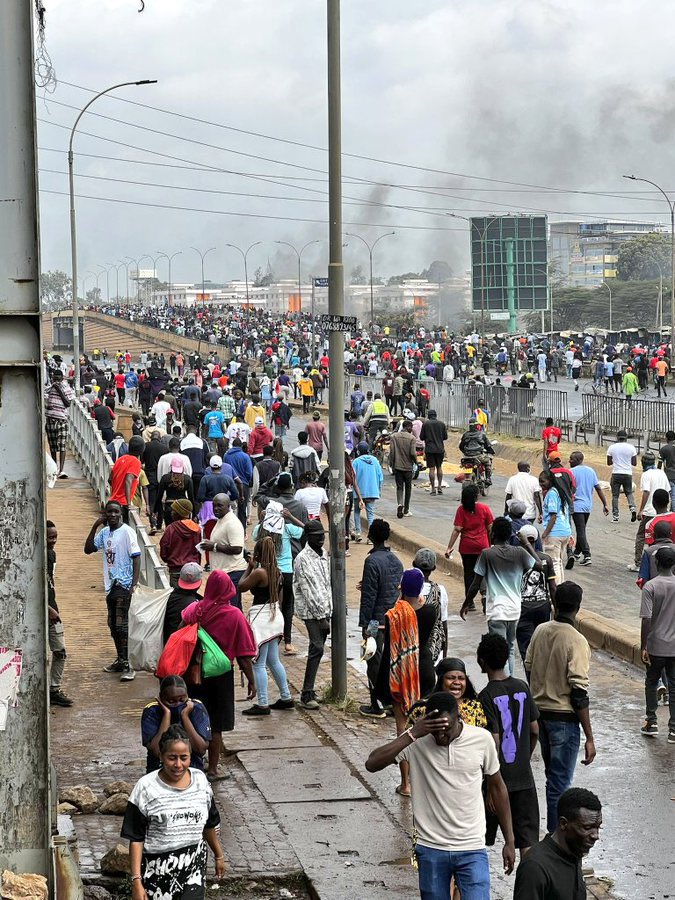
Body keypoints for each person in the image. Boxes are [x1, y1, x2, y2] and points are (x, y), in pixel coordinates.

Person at [365, 692, 515, 900]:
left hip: (472, 847)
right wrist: (412, 733)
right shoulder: (416, 741)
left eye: (446, 730)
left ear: (458, 718)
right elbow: (371, 764)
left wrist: (509, 840)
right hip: (431, 847)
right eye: (435, 732)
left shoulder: (482, 739)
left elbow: (498, 788)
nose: (441, 737)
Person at [121, 724, 226, 900]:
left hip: (193, 871)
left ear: (190, 756)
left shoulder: (201, 781)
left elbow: (209, 824)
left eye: (184, 758)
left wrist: (219, 855)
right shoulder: (145, 788)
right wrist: (136, 881)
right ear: (161, 756)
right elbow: (136, 839)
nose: (178, 764)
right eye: (172, 758)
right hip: (157, 876)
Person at [525, 582, 596, 833]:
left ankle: (554, 837)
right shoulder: (576, 640)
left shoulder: (540, 631)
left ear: (555, 602)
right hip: (564, 721)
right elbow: (579, 693)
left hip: (540, 716)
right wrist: (589, 736)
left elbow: (529, 666)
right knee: (560, 784)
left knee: (552, 780)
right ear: (578, 607)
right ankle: (558, 843)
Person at [181, 570, 257, 780]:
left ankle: (191, 765)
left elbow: (181, 631)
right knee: (215, 723)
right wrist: (252, 680)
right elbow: (244, 654)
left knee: (192, 717)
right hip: (221, 676)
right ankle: (213, 769)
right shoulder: (234, 615)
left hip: (194, 673)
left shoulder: (195, 610)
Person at [477, 633, 540, 859]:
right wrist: (524, 756)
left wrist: (489, 785)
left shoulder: (484, 697)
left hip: (497, 779)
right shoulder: (522, 687)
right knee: (528, 841)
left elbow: (492, 742)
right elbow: (534, 730)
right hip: (524, 777)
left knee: (479, 840)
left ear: (481, 661)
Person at [462, 516, 540, 676]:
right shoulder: (519, 553)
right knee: (510, 648)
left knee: (499, 651)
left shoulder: (487, 554)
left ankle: (502, 685)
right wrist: (525, 543)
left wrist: (466, 602)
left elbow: (476, 583)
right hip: (514, 609)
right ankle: (509, 681)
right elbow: (539, 564)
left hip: (496, 610)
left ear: (493, 534)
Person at [84, 500, 141, 682]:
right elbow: (88, 549)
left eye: (116, 512)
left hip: (123, 585)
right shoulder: (105, 533)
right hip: (111, 584)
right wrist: (95, 525)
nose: (113, 515)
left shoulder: (127, 532)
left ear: (121, 514)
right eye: (109, 512)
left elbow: (137, 557)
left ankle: (128, 664)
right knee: (113, 625)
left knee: (121, 625)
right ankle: (120, 659)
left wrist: (133, 584)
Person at [238, 535, 295, 715]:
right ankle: (286, 697)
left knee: (259, 664)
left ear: (259, 553)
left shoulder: (259, 573)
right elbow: (280, 599)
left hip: (262, 620)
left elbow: (241, 586)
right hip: (275, 616)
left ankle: (263, 703)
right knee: (273, 660)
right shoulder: (278, 572)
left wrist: (249, 567)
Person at [514, 788, 602, 900]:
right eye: (587, 828)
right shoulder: (535, 868)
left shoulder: (574, 851)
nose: (595, 835)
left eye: (598, 827)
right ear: (564, 824)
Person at [358, 518, 405, 718]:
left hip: (377, 621)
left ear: (370, 536)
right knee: (391, 663)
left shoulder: (371, 561)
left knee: (372, 661)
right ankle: (392, 702)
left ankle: (377, 704)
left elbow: (369, 596)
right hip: (394, 619)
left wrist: (365, 624)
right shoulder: (396, 560)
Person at [293, 521, 333, 710]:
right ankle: (306, 692)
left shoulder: (323, 554)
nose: (321, 538)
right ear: (308, 536)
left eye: (322, 535)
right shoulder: (302, 559)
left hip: (325, 608)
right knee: (317, 647)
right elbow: (309, 590)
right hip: (311, 611)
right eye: (317, 536)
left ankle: (309, 690)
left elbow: (325, 584)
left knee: (318, 648)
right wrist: (321, 618)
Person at [639, 546, 675, 742]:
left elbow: (646, 619)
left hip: (655, 645)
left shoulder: (650, 587)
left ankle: (651, 721)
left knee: (651, 682)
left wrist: (643, 645)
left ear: (657, 563)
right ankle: (674, 729)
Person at [141, 676, 211, 773]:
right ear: (161, 698)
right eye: (171, 701)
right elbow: (157, 751)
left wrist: (185, 716)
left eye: (182, 700)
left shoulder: (196, 708)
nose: (177, 704)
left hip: (192, 768)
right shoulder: (152, 711)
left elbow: (200, 749)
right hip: (158, 770)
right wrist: (167, 714)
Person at [445, 483, 494, 612]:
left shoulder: (461, 510)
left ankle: (470, 601)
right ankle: (484, 594)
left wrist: (449, 547)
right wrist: (491, 545)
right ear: (476, 496)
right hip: (483, 546)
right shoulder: (484, 508)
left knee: (469, 573)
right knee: (483, 572)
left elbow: (457, 530)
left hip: (466, 547)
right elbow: (490, 529)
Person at [516, 524, 556, 662]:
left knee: (526, 648)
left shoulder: (515, 559)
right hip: (543, 607)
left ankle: (531, 678)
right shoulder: (546, 559)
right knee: (542, 644)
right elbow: (553, 588)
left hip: (523, 609)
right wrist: (555, 609)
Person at [46, 520, 72, 707]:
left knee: (60, 651)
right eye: (50, 537)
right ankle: (53, 689)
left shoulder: (50, 555)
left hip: (52, 607)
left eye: (55, 537)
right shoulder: (44, 556)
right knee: (59, 651)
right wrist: (49, 609)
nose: (53, 541)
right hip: (49, 610)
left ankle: (54, 689)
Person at [630, 452, 671, 572]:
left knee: (641, 536)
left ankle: (638, 563)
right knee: (659, 538)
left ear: (643, 462)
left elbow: (646, 492)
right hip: (662, 511)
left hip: (649, 511)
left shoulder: (646, 474)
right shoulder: (661, 473)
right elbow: (667, 490)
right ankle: (660, 563)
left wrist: (641, 509)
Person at [200, 494, 246, 598]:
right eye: (214, 505)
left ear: (228, 506)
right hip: (223, 573)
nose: (216, 509)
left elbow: (237, 548)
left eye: (220, 506)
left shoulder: (232, 523)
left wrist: (214, 546)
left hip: (232, 573)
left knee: (231, 608)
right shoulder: (221, 520)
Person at [568, 451, 609, 566]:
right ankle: (577, 552)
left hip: (576, 506)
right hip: (587, 506)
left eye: (571, 459)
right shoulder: (591, 471)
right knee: (582, 529)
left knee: (580, 530)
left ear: (578, 460)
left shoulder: (571, 472)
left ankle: (587, 555)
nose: (569, 461)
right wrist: (605, 503)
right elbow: (598, 488)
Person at [412, 548, 448, 665]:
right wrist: (444, 656)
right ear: (433, 568)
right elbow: (443, 624)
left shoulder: (407, 589)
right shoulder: (440, 591)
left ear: (413, 564)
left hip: (411, 647)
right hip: (433, 648)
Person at [539, 469, 572, 583]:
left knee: (553, 562)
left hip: (555, 533)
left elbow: (553, 517)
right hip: (565, 531)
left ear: (550, 480)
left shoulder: (552, 493)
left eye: (543, 481)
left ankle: (556, 588)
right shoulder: (560, 492)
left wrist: (545, 534)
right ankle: (561, 584)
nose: (541, 484)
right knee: (559, 562)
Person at [159, 499, 201, 587]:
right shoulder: (197, 529)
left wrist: (168, 560)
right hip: (193, 569)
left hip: (176, 569)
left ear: (179, 513)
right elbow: (199, 550)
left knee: (177, 597)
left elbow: (164, 548)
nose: (171, 513)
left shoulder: (171, 528)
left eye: (174, 511)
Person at [163, 562, 204, 644]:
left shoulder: (170, 596)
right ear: (199, 583)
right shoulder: (195, 605)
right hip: (183, 647)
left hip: (167, 642)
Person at [351, 442, 384, 541]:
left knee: (357, 512)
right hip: (372, 492)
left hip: (359, 493)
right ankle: (370, 537)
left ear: (358, 451)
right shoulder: (375, 461)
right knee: (370, 514)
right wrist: (378, 489)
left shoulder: (356, 462)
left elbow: (353, 477)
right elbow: (380, 477)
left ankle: (358, 533)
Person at [155, 457, 195, 530]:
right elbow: (191, 498)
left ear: (171, 467)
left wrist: (155, 511)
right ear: (182, 467)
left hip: (170, 507)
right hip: (184, 508)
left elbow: (159, 497)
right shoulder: (187, 479)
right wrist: (194, 514)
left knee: (170, 530)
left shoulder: (165, 478)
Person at [606, 429, 638, 523]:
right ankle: (632, 508)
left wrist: (616, 460)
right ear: (626, 438)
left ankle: (616, 516)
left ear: (617, 437)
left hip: (616, 473)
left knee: (615, 496)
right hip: (627, 473)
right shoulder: (631, 448)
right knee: (629, 493)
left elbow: (608, 463)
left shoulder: (612, 447)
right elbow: (634, 463)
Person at [389, 418, 418, 518]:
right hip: (408, 467)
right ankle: (406, 509)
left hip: (397, 466)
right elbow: (413, 453)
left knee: (399, 487)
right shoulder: (412, 438)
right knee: (408, 488)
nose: (412, 429)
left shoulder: (394, 436)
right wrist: (416, 462)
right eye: (411, 427)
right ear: (408, 427)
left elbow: (392, 452)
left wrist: (391, 464)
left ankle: (400, 504)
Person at [420, 410, 448, 495]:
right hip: (440, 449)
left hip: (430, 450)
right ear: (436, 415)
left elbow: (421, 437)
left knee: (431, 469)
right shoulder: (442, 424)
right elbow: (445, 437)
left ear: (429, 416)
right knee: (439, 467)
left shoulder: (426, 424)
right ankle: (439, 487)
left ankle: (433, 489)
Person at [458, 420, 494, 484]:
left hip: (466, 457)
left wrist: (466, 453)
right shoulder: (482, 434)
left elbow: (461, 446)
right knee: (488, 461)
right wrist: (491, 451)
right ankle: (488, 478)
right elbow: (488, 446)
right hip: (478, 456)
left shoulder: (465, 434)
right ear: (477, 426)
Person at [658, 429, 675, 512]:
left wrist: (658, 473)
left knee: (671, 496)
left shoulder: (664, 449)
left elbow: (659, 464)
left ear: (666, 438)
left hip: (669, 475)